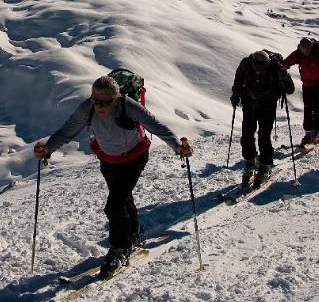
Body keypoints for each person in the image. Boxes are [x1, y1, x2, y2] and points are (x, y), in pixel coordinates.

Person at [33, 75, 193, 278]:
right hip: (108, 160)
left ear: (116, 99)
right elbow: (67, 131)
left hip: (134, 158)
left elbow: (155, 126)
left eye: (105, 102)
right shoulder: (87, 108)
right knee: (123, 198)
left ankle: (120, 248)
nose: (99, 107)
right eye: (95, 101)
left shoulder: (129, 106)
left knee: (114, 205)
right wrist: (47, 149)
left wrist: (177, 147)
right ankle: (133, 234)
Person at [230, 50, 295, 187]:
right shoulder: (246, 65)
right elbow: (238, 80)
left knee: (264, 135)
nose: (259, 70)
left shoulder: (276, 68)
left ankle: (265, 164)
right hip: (249, 102)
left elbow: (290, 90)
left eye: (263, 67)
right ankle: (251, 160)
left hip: (268, 104)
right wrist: (236, 93)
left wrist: (285, 77)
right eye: (257, 66)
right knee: (247, 134)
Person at [282, 37, 319, 146]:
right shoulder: (299, 53)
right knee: (307, 107)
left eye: (306, 50)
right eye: (303, 50)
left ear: (310, 47)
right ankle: (308, 133)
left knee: (316, 106)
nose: (305, 52)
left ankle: (316, 132)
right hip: (307, 85)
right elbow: (288, 61)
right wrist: (281, 67)